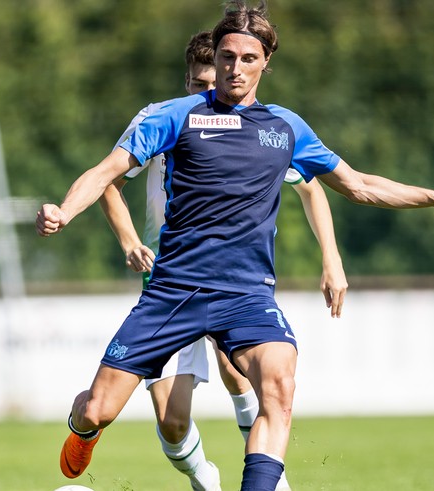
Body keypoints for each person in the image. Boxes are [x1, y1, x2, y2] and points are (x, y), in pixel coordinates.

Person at [36, 2, 434, 490]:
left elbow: (358, 185)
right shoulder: (175, 116)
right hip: (173, 292)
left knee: (279, 386)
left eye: (248, 58)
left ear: (266, 62)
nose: (235, 68)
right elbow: (106, 173)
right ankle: (82, 428)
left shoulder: (286, 128)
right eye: (228, 57)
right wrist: (65, 210)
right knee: (99, 409)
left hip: (246, 294)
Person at [97, 30, 346, 490]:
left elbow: (314, 186)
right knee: (171, 422)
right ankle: (203, 476)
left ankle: (272, 479)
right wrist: (130, 240)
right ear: (188, 80)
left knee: (246, 373)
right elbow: (108, 179)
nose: (209, 93)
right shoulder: (167, 121)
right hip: (170, 282)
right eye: (197, 85)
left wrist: (331, 258)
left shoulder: (259, 130)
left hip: (233, 283)